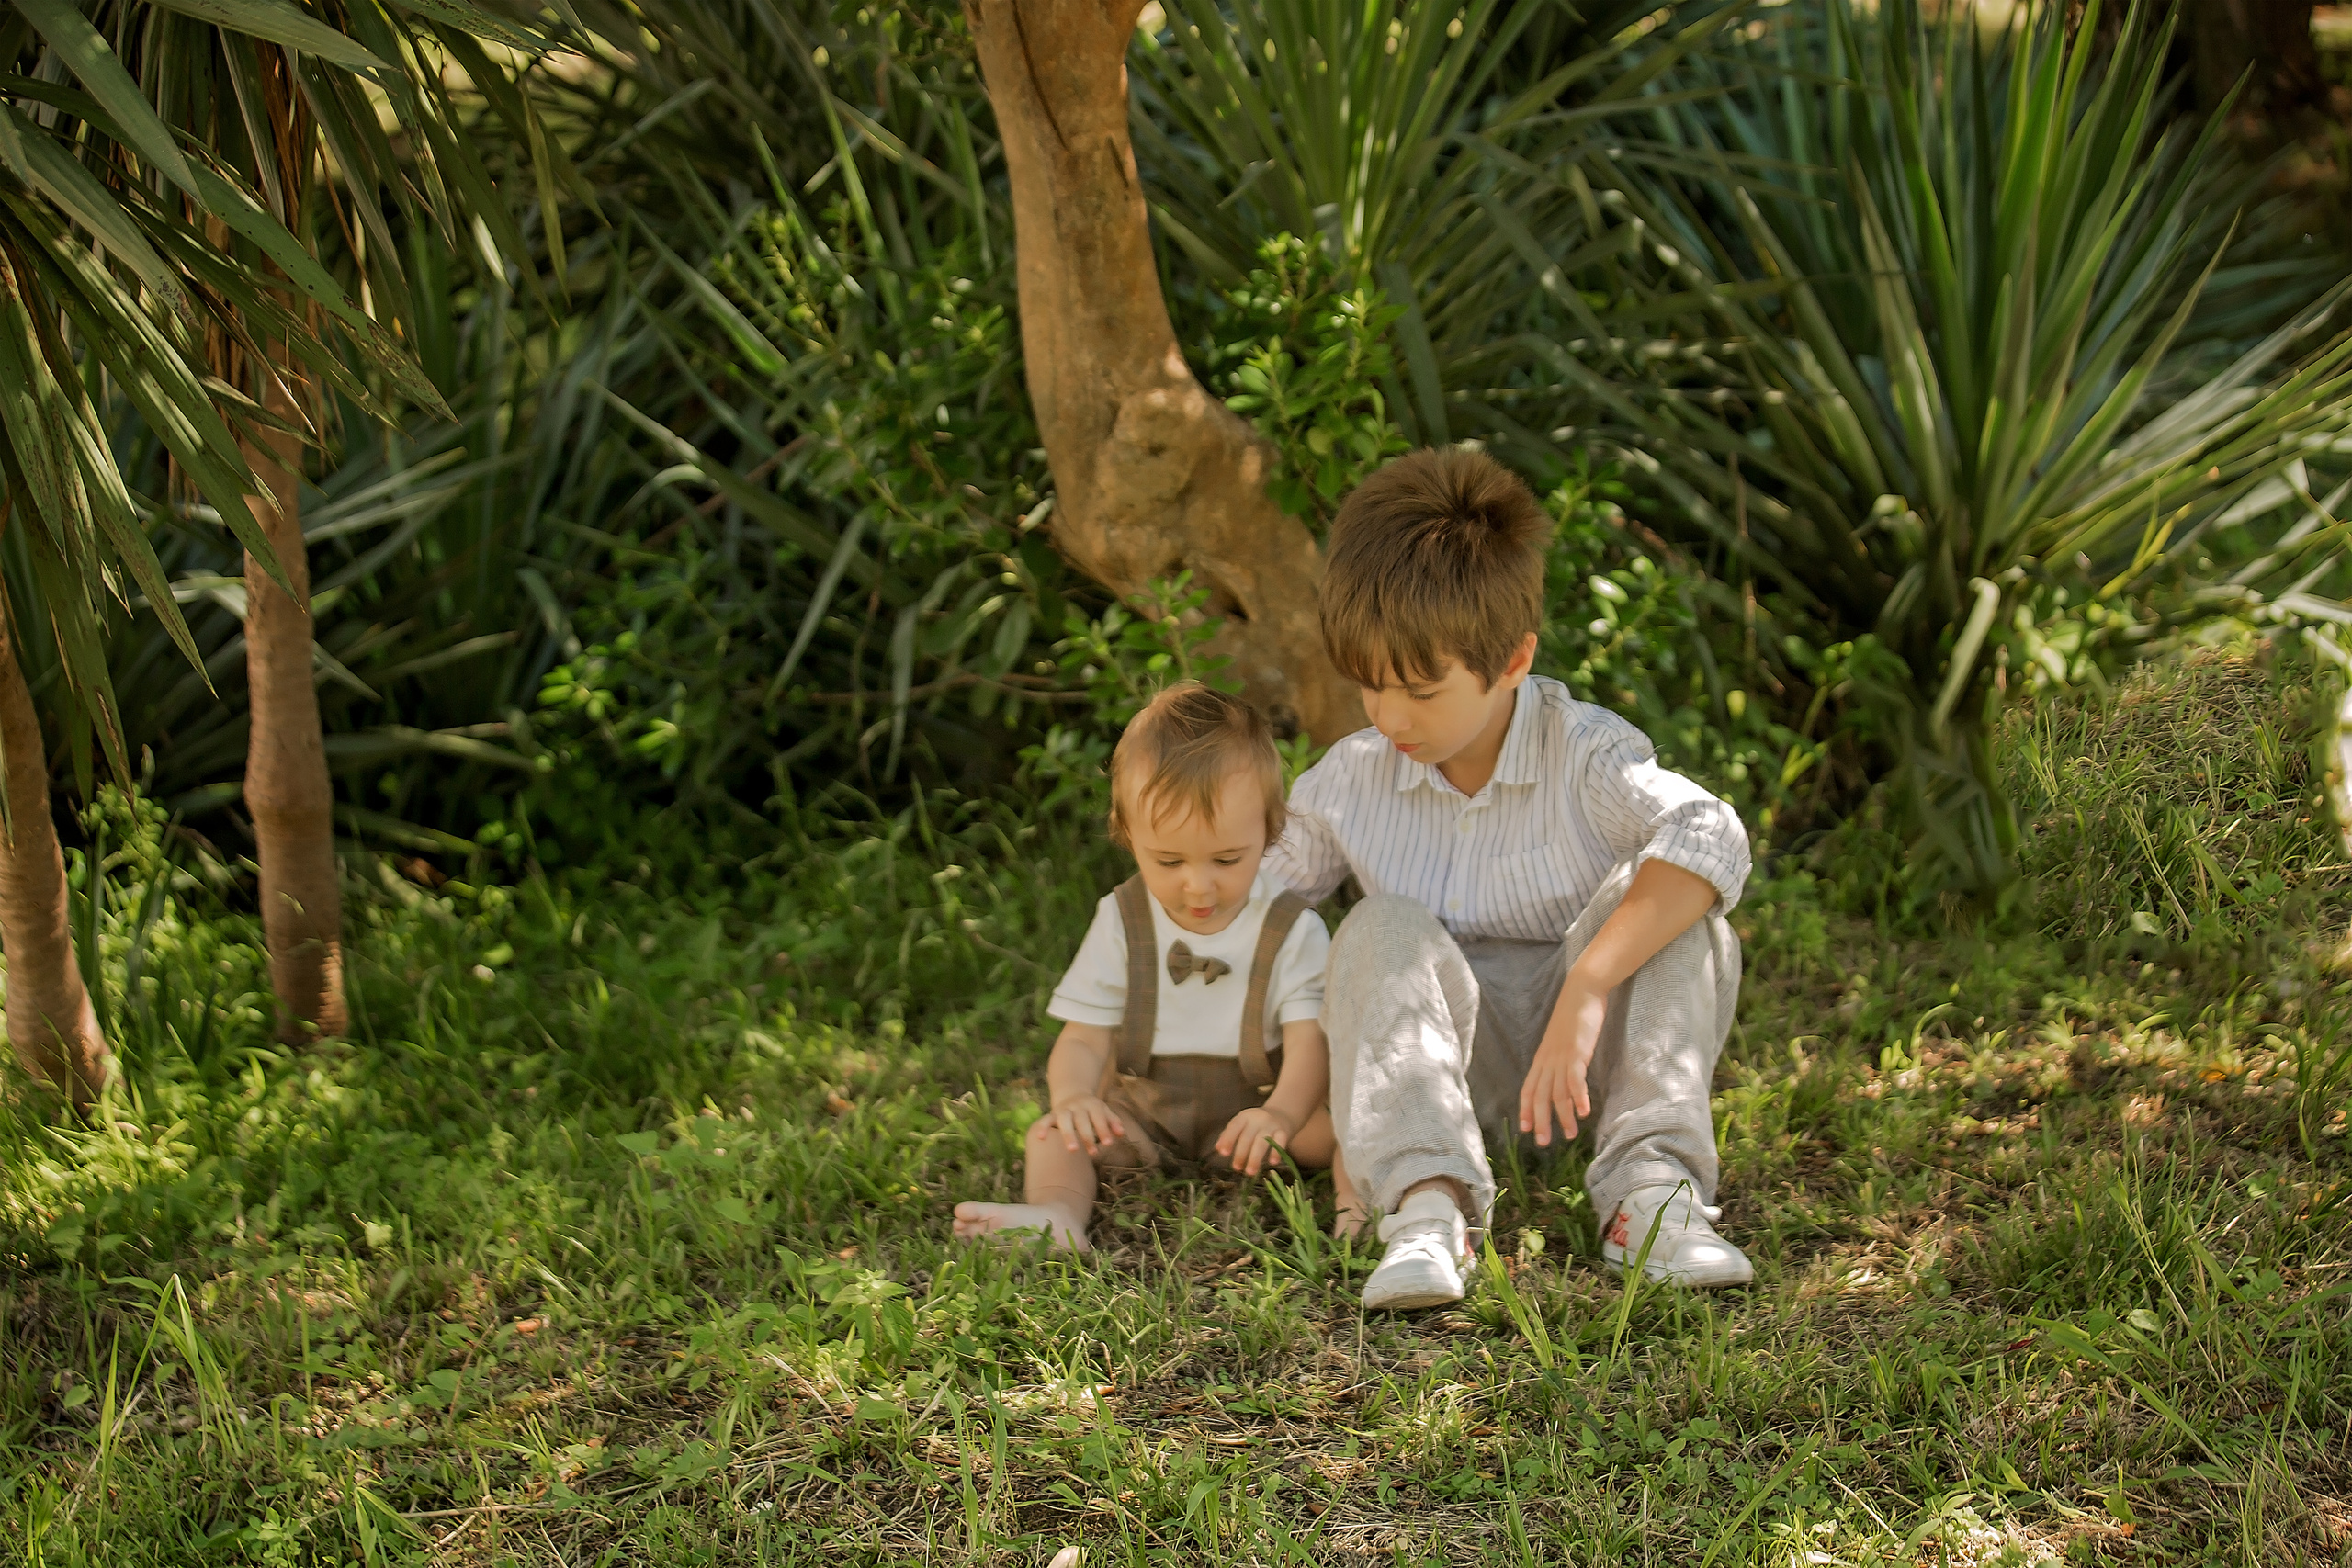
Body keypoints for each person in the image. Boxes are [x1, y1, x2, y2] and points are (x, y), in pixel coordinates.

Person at [1266, 446, 1753, 1310]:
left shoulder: (1585, 750)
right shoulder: (1350, 779)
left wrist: (1592, 984)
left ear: (1514, 658)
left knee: (1690, 913)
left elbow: (1711, 831)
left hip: (1595, 1063)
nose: (1389, 716)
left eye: (1420, 687)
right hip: (1452, 1073)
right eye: (1370, 686)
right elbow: (1250, 905)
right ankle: (1428, 1205)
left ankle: (1651, 1195)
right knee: (1376, 927)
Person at [953, 682, 1337, 1250]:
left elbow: (1309, 1044)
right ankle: (1057, 1215)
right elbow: (1085, 1038)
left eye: (1227, 859)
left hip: (1255, 1116)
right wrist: (1075, 1099)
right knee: (1054, 1135)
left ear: (1270, 832)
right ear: (1129, 837)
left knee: (1348, 1130)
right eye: (1169, 860)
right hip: (1143, 1113)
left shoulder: (1291, 927)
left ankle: (1369, 1209)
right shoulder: (1122, 919)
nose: (1198, 885)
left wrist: (1280, 1114)